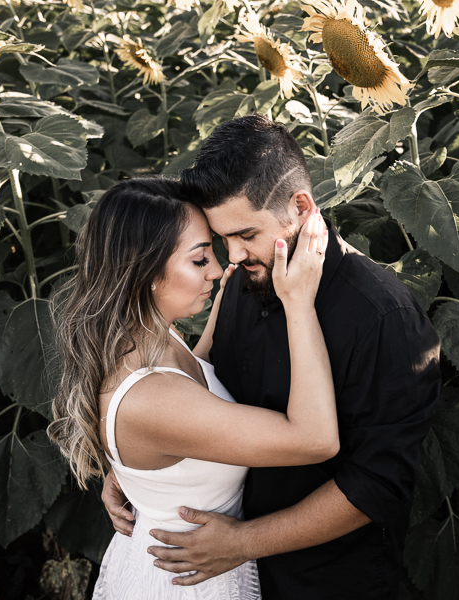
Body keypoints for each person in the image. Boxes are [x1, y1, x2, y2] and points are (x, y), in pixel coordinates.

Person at [101, 115, 442, 598]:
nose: (233, 258)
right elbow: (198, 386)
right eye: (222, 240)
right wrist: (142, 466)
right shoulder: (247, 278)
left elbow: (378, 484)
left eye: (246, 235)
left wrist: (245, 542)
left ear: (299, 207)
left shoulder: (382, 318)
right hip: (222, 570)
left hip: (323, 578)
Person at [49, 176, 333, 599]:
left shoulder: (144, 336)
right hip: (186, 583)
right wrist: (299, 303)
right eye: (200, 260)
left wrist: (137, 473)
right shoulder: (152, 401)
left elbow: (194, 379)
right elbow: (314, 439)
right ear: (144, 273)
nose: (220, 270)